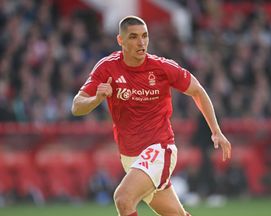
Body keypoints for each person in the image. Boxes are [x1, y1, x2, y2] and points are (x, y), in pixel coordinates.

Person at [72, 15, 231, 216]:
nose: (141, 42)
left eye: (145, 36)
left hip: (159, 149)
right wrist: (96, 99)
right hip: (130, 156)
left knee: (123, 198)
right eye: (133, 37)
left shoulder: (161, 67)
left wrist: (216, 131)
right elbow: (77, 106)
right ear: (120, 41)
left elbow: (197, 90)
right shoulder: (107, 67)